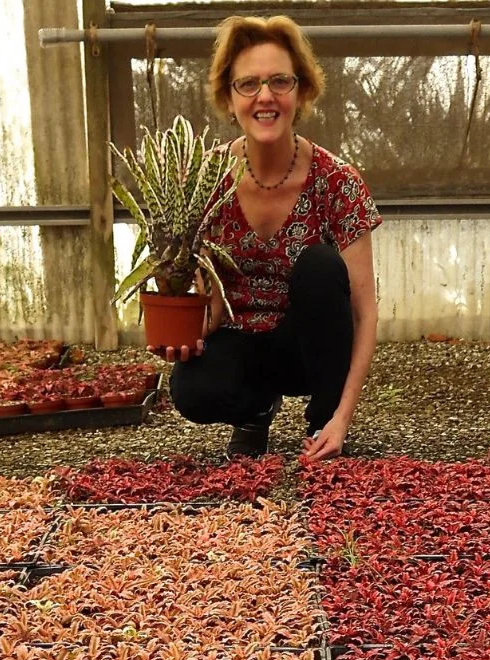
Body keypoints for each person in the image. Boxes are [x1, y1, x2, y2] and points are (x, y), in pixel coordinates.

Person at [156, 14, 383, 462]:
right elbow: (207, 298)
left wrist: (341, 418)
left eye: (280, 81)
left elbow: (364, 313)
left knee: (320, 266)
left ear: (301, 91)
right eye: (248, 84)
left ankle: (319, 423)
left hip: (307, 349)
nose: (265, 97)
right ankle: (255, 408)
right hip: (240, 340)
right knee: (193, 390)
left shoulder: (337, 180)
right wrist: (183, 329)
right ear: (229, 95)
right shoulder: (205, 179)